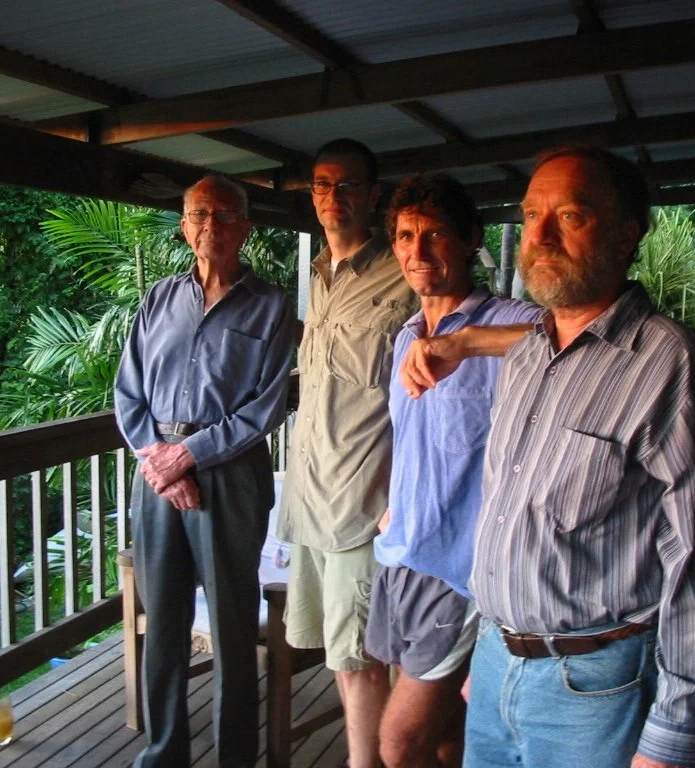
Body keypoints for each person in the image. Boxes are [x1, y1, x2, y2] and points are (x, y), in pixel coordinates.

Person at [462, 146, 695, 768]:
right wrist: (486, 650)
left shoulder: (667, 361)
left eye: (571, 215)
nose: (539, 235)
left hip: (595, 688)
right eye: (531, 215)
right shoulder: (526, 356)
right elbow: (505, 516)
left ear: (625, 234)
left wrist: (671, 736)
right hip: (494, 664)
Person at [114, 174, 295, 768]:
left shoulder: (271, 306)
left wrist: (188, 457)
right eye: (199, 214)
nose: (210, 225)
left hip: (231, 477)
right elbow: (127, 393)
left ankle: (234, 758)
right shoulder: (158, 299)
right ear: (184, 226)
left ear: (244, 226)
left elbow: (265, 405)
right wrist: (160, 461)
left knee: (232, 626)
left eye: (224, 214)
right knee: (162, 622)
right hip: (157, 477)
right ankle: (164, 752)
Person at [366, 174, 542, 768]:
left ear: (470, 239)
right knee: (443, 731)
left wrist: (469, 342)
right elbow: (410, 436)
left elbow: (577, 342)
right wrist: (393, 503)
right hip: (402, 550)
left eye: (435, 234)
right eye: (406, 236)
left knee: (398, 742)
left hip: (461, 564)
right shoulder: (406, 337)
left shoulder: (503, 323)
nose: (418, 252)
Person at [276, 138, 417, 768]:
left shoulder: (405, 274)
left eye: (349, 185)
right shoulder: (320, 275)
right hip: (310, 497)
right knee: (338, 657)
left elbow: (435, 397)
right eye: (322, 184)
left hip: (363, 502)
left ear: (374, 195)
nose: (335, 197)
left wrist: (405, 490)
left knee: (362, 663)